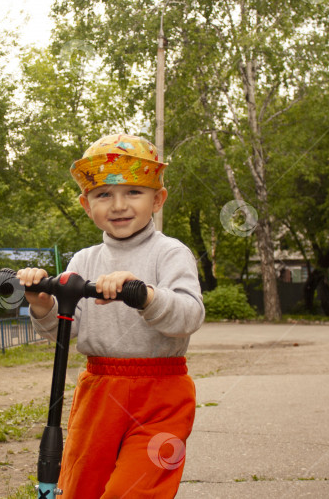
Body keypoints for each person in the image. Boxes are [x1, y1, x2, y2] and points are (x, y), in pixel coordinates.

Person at [16, 133, 205, 498]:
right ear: (87, 206)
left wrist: (145, 295)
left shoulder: (170, 253)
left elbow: (189, 315)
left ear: (158, 200)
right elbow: (66, 332)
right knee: (81, 486)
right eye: (104, 194)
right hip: (99, 390)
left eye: (134, 192)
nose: (118, 205)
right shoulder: (84, 261)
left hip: (162, 394)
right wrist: (42, 303)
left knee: (135, 489)